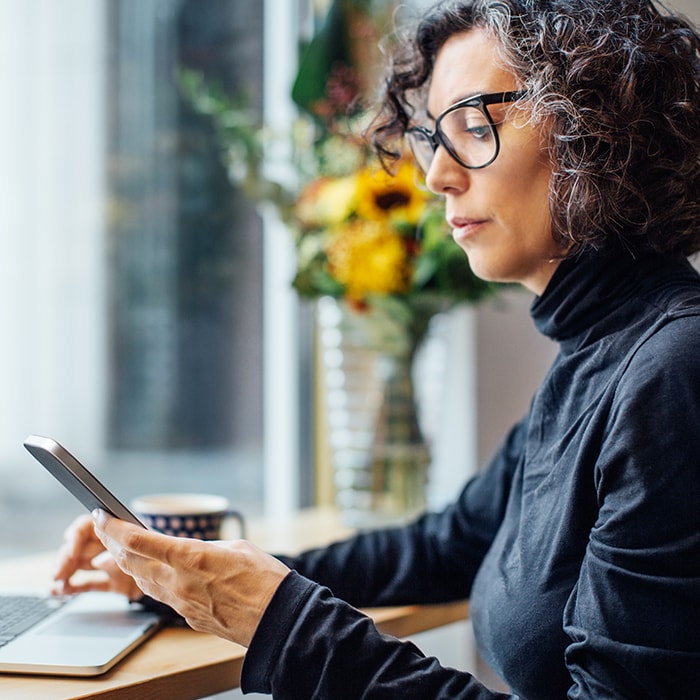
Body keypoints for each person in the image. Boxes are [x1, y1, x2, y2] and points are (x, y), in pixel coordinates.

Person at [53, 0, 700, 697]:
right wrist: (194, 576)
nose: (436, 177)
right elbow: (441, 547)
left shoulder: (671, 371)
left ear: (598, 134)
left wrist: (286, 624)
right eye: (432, 137)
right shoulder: (598, 352)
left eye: (475, 128)